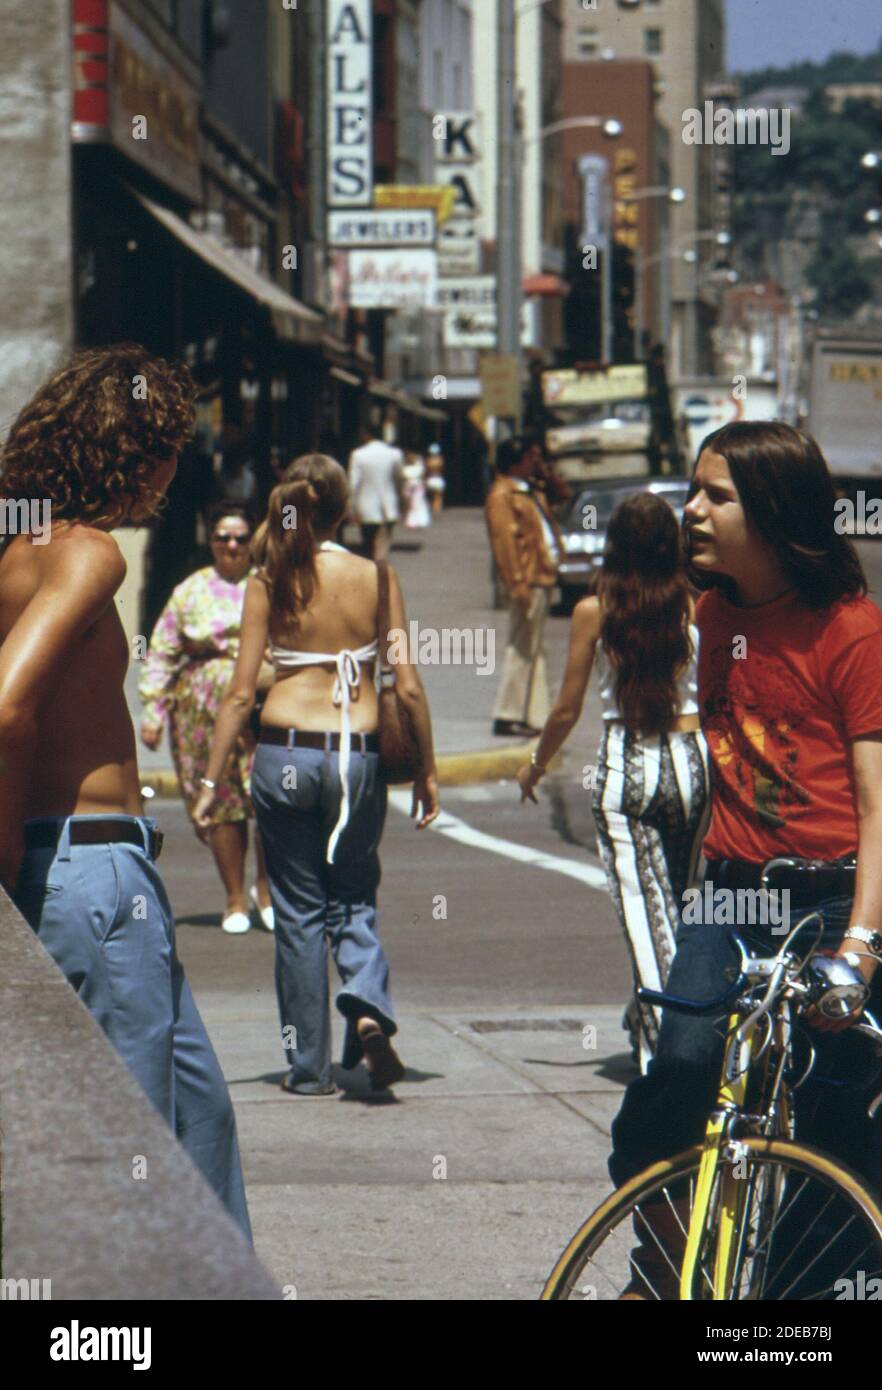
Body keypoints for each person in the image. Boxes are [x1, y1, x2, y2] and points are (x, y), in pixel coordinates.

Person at [608, 421, 882, 1298]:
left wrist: (862, 947)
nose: (691, 509)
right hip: (729, 900)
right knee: (678, 1070)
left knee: (835, 1132)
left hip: (835, 901)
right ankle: (665, 1264)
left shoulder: (852, 632)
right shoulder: (713, 611)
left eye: (714, 495)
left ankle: (790, 1312)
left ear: (770, 511)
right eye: (695, 490)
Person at [0, 344, 251, 1239]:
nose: (176, 471)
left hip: (97, 874)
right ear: (136, 452)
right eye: (172, 447)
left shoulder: (20, 551)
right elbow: (5, 705)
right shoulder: (88, 554)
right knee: (134, 1157)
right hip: (91, 871)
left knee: (200, 1123)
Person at [192, 453, 440, 1097]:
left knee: (298, 912)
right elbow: (407, 687)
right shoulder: (378, 578)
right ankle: (363, 1007)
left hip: (283, 754)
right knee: (353, 893)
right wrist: (427, 772)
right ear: (345, 509)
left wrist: (209, 781)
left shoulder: (266, 581)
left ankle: (307, 1069)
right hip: (354, 756)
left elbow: (241, 695)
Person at [517, 493, 710, 1072]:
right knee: (677, 903)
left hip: (628, 763)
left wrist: (536, 764)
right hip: (693, 762)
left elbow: (566, 709)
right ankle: (649, 1020)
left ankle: (671, 1057)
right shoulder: (698, 604)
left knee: (644, 915)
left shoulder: (593, 610)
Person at [139, 500, 275, 934]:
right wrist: (153, 709)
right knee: (220, 803)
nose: (232, 545)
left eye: (240, 537)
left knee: (271, 800)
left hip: (260, 709)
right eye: (223, 537)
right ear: (210, 541)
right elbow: (161, 649)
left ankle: (266, 889)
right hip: (200, 712)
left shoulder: (270, 585)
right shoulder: (190, 590)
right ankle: (235, 897)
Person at [485, 433, 563, 738]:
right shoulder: (502, 496)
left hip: (541, 576)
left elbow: (563, 494)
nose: (536, 463)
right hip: (527, 580)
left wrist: (546, 474)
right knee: (521, 647)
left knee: (534, 648)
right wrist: (517, 584)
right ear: (516, 461)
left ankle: (535, 713)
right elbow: (505, 544)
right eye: (531, 458)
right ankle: (508, 713)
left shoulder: (530, 490)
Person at [348, 422, 405, 560]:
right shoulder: (394, 454)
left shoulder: (358, 454)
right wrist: (401, 499)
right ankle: (382, 574)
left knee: (367, 546)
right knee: (383, 546)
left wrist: (351, 506)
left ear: (366, 434)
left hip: (366, 507)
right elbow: (399, 479)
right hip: (388, 505)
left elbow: (353, 483)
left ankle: (370, 576)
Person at [401, 449, 432, 531]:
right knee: (410, 504)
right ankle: (412, 521)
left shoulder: (417, 466)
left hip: (416, 485)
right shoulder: (408, 467)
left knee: (416, 503)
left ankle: (417, 521)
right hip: (411, 485)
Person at [425, 442, 446, 519]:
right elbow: (442, 470)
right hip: (438, 479)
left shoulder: (428, 461)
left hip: (430, 479)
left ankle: (431, 510)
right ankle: (436, 511)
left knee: (431, 496)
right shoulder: (440, 460)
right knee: (438, 497)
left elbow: (426, 471)